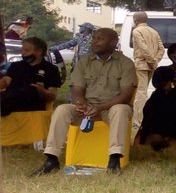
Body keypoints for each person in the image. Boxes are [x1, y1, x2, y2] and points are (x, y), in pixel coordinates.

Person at [30, 28, 135, 175]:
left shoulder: (126, 63)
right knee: (62, 109)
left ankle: (114, 159)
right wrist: (80, 103)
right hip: (87, 107)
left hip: (111, 108)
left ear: (113, 42)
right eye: (94, 38)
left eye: (99, 39)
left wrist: (100, 108)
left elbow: (125, 95)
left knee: (121, 109)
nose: (94, 42)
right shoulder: (84, 62)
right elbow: (77, 89)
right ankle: (51, 159)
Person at [135, 44, 176, 151]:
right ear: (173, 57)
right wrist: (175, 84)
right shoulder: (162, 71)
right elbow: (162, 86)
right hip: (159, 106)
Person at [0, 37, 61, 116]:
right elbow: (6, 81)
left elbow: (52, 96)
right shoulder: (16, 66)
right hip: (10, 98)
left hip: (33, 102)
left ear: (39, 51)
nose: (23, 53)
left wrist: (42, 91)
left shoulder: (51, 69)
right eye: (22, 50)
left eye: (26, 50)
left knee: (30, 90)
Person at [130, 11, 165, 129]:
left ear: (135, 20)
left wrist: (151, 60)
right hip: (151, 65)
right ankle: (143, 119)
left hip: (141, 64)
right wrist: (155, 60)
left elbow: (143, 48)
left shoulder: (136, 31)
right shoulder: (154, 31)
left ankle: (139, 121)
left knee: (141, 93)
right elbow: (161, 49)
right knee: (143, 92)